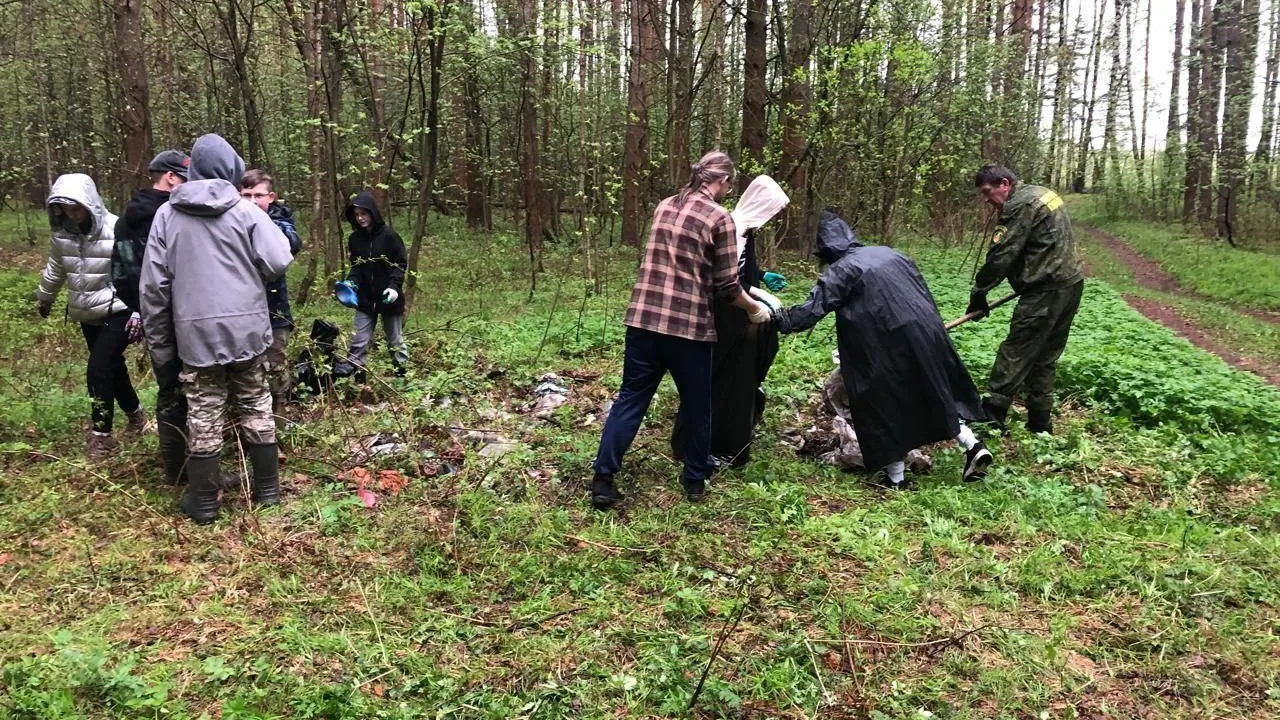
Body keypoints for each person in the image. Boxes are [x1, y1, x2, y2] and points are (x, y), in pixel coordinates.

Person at [591, 151, 774, 510]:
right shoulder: (719, 218)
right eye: (728, 185)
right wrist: (755, 308)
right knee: (697, 404)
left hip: (642, 320)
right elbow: (726, 286)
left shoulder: (664, 205)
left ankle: (603, 479)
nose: (728, 192)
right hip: (686, 328)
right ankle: (694, 481)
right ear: (720, 182)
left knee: (631, 398)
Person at [771, 210, 993, 489]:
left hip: (884, 346)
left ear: (826, 249)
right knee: (933, 393)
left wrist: (778, 320)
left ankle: (896, 479)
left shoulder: (842, 270)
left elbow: (811, 310)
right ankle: (972, 445)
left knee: (882, 406)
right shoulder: (891, 253)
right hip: (927, 334)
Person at [140, 134, 293, 524]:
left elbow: (153, 290)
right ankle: (268, 493)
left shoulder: (167, 215)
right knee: (256, 403)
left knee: (203, 413)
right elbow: (278, 259)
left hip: (196, 336)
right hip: (248, 330)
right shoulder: (246, 212)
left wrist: (161, 349)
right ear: (231, 171)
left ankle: (205, 503)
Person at [670, 173, 787, 467]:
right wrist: (753, 302)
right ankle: (703, 446)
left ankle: (725, 444)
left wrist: (759, 279)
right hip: (723, 320)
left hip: (737, 319)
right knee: (718, 383)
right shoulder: (732, 228)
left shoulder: (747, 231)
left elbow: (739, 272)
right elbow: (723, 281)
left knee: (737, 384)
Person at [967, 164, 1084, 434]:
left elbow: (1002, 255)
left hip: (1044, 291)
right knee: (1044, 357)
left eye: (988, 192)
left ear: (1005, 184)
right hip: (1070, 285)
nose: (986, 200)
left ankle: (991, 418)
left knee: (1015, 352)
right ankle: (1040, 424)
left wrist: (979, 292)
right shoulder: (1041, 193)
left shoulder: (1019, 205)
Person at [36, 173, 145, 462]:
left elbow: (136, 269)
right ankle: (136, 416)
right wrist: (45, 298)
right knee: (113, 367)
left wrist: (139, 309)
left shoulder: (115, 228)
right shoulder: (62, 234)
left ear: (89, 203)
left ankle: (102, 437)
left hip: (118, 310)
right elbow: (56, 268)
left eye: (75, 208)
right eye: (64, 210)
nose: (70, 215)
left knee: (97, 369)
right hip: (87, 312)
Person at [113, 150, 189, 482]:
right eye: (186, 178)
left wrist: (142, 310)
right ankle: (200, 466)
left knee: (169, 389)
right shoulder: (176, 215)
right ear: (171, 177)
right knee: (199, 387)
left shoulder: (126, 219)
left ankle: (175, 468)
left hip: (152, 319)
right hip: (188, 315)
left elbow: (119, 274)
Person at [239, 169, 303, 419]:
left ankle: (280, 417)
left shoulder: (280, 220)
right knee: (249, 370)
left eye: (258, 195)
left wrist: (260, 223)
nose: (253, 201)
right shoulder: (233, 221)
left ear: (271, 197)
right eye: (246, 195)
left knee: (276, 365)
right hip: (243, 311)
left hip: (275, 311)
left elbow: (292, 243)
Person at [332, 191, 410, 378]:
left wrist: (394, 286)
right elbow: (357, 267)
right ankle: (358, 377)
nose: (360, 218)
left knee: (395, 341)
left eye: (363, 214)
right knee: (359, 340)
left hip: (389, 298)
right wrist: (351, 283)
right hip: (365, 299)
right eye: (356, 215)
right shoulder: (354, 239)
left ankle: (402, 377)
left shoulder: (390, 236)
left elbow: (400, 264)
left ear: (373, 213)